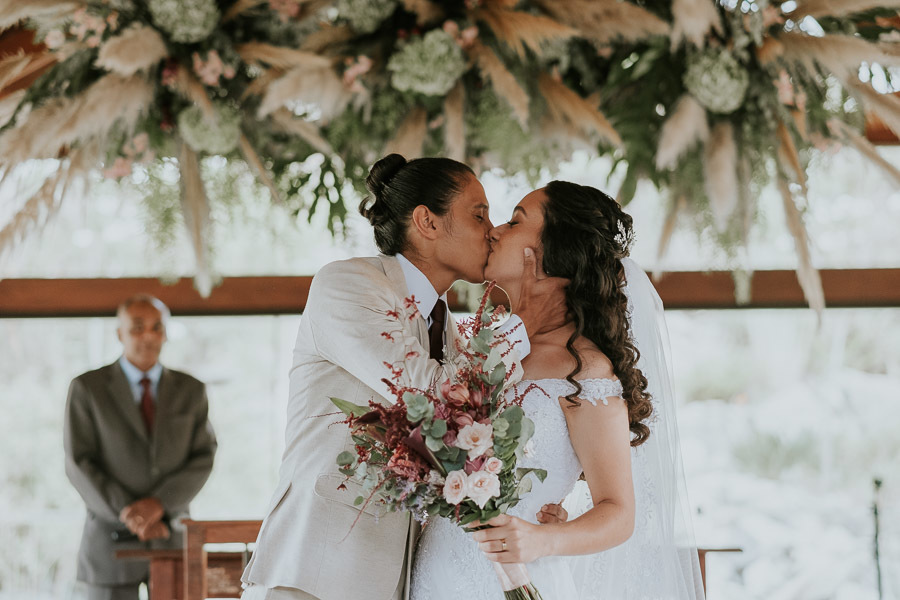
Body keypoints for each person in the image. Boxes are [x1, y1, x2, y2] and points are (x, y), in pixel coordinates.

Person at [240, 154, 568, 600]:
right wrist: (521, 323)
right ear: (427, 222)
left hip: (402, 578)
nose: (492, 230)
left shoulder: (452, 333)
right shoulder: (348, 284)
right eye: (478, 214)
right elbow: (431, 397)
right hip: (319, 571)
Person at [411, 181, 706, 599]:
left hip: (513, 581)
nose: (495, 230)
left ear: (553, 251)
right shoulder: (488, 344)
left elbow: (619, 512)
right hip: (434, 574)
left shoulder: (583, 369)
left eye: (515, 222)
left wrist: (541, 539)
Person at [64, 294, 217, 600]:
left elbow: (203, 456)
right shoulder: (87, 389)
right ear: (119, 333)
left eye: (157, 327)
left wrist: (158, 505)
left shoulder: (192, 390)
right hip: (109, 545)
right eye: (136, 327)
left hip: (172, 541)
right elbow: (79, 463)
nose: (148, 335)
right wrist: (129, 512)